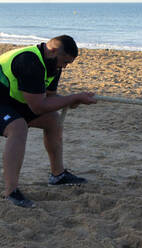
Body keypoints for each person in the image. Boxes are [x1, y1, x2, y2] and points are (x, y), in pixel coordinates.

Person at [0, 35, 97, 208]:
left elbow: (50, 98)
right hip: (3, 101)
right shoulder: (30, 61)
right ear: (53, 50)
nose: (64, 67)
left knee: (53, 120)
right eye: (64, 61)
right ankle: (10, 191)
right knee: (18, 127)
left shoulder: (53, 65)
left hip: (11, 102)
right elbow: (38, 106)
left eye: (68, 64)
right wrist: (72, 97)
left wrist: (73, 101)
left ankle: (58, 175)